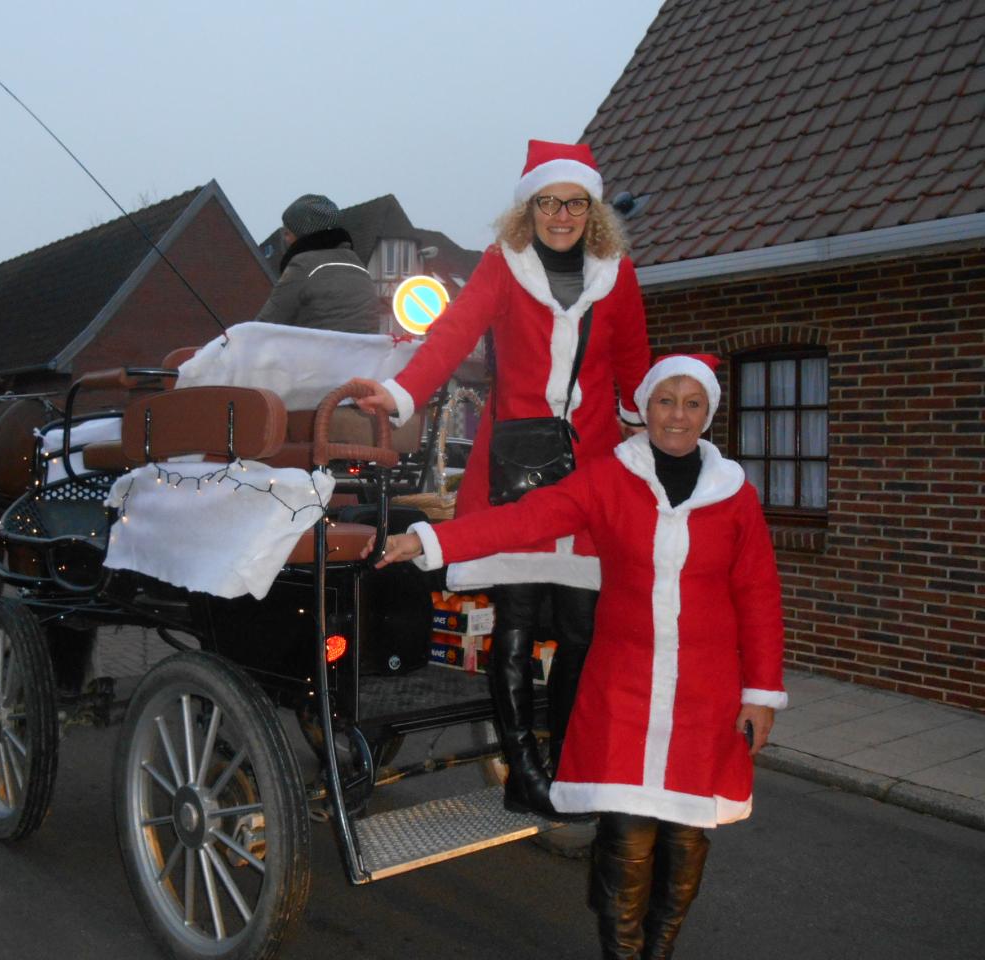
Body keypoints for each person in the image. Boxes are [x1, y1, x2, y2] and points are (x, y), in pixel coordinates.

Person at [369, 354, 787, 960]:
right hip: (623, 682)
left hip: (706, 689)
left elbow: (758, 594)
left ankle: (658, 950)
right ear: (645, 407)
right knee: (625, 833)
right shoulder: (609, 479)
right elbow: (527, 519)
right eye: (665, 400)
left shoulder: (735, 495)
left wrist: (761, 692)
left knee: (688, 836)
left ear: (708, 413)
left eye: (691, 402)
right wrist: (430, 539)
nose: (676, 414)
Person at [349, 140, 651, 819]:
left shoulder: (619, 277)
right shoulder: (501, 268)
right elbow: (450, 337)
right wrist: (399, 395)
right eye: (549, 202)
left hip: (596, 468)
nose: (562, 215)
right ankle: (522, 769)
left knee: (582, 625)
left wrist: (663, 428)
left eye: (575, 203)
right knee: (515, 618)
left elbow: (635, 368)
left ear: (592, 210)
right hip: (518, 464)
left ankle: (567, 759)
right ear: (529, 209)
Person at [255, 193, 378, 334]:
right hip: (362, 354)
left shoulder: (303, 266)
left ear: (302, 234)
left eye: (288, 233)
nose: (285, 239)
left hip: (319, 354)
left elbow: (267, 323)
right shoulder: (358, 266)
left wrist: (236, 344)